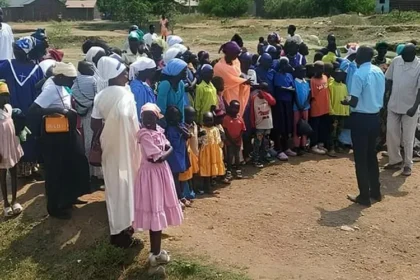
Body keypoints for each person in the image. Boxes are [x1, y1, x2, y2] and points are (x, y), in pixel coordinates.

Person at [27, 62, 90, 219]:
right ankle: (54, 208)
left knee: (73, 162)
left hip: (66, 132)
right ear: (61, 77)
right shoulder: (49, 89)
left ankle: (69, 197)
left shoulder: (61, 85)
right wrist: (58, 110)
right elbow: (33, 110)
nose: (73, 82)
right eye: (71, 79)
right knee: (55, 170)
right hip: (54, 136)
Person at [91, 57, 141, 248]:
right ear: (115, 75)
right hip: (128, 146)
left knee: (113, 184)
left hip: (110, 145)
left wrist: (108, 129)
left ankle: (117, 230)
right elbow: (133, 122)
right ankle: (129, 225)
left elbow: (95, 124)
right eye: (123, 72)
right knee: (130, 181)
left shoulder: (100, 96)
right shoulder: (127, 94)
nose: (126, 75)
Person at [133, 103, 183, 270]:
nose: (147, 120)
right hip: (151, 176)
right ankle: (155, 254)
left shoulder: (159, 132)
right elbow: (157, 158)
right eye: (144, 117)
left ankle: (157, 251)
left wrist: (167, 151)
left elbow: (166, 149)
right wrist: (168, 151)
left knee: (159, 208)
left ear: (156, 118)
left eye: (150, 116)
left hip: (160, 174)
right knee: (155, 209)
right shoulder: (144, 136)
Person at [342, 46, 385, 207]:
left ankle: (364, 196)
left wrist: (345, 101)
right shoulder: (378, 71)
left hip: (360, 118)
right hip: (375, 117)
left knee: (360, 158)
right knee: (371, 155)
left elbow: (353, 101)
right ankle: (376, 191)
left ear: (360, 57)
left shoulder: (359, 74)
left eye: (356, 55)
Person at [0, 37, 44, 178]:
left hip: (8, 112)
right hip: (29, 112)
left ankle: (14, 168)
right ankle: (28, 169)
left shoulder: (5, 65)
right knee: (29, 140)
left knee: (10, 140)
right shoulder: (37, 70)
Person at [384, 43, 420, 176]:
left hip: (410, 107)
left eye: (404, 55)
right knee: (391, 133)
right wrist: (384, 98)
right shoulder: (397, 61)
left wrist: (415, 107)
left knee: (408, 138)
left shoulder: (419, 65)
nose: (402, 57)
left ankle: (407, 164)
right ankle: (395, 160)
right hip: (393, 104)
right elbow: (389, 80)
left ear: (412, 54)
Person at [72, 61, 103, 187]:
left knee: (84, 141)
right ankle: (95, 173)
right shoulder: (94, 81)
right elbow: (98, 98)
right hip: (92, 113)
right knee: (93, 142)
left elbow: (72, 95)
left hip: (78, 114)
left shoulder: (75, 81)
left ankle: (87, 172)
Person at [0, 81, 24, 217]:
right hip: (1, 149)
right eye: (1, 96)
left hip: (11, 146)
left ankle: (15, 200)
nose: (5, 99)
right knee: (2, 175)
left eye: (6, 96)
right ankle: (6, 204)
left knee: (14, 172)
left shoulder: (8, 108)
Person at [214, 41, 250, 117]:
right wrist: (243, 81)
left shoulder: (236, 62)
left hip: (237, 92)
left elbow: (237, 76)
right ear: (229, 54)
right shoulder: (219, 67)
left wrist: (242, 80)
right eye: (235, 54)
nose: (237, 56)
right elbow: (229, 80)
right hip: (226, 96)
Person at [164, 106, 191, 207]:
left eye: (176, 116)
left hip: (181, 154)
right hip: (173, 155)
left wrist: (179, 128)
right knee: (175, 177)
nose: (175, 118)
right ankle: (178, 198)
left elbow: (188, 135)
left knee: (180, 176)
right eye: (173, 116)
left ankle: (180, 196)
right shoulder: (167, 129)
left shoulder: (181, 126)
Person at [273, 57, 296, 160]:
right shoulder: (277, 75)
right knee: (280, 126)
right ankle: (279, 149)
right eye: (285, 64)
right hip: (280, 102)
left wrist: (288, 89)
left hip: (288, 102)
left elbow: (293, 87)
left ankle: (286, 147)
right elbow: (278, 87)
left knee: (287, 125)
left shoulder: (290, 75)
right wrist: (288, 89)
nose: (287, 66)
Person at [250, 82, 276, 167]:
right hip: (259, 125)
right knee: (257, 143)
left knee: (266, 142)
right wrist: (253, 124)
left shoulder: (268, 98)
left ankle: (264, 157)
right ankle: (255, 159)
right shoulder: (254, 98)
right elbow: (252, 112)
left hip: (267, 124)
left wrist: (265, 94)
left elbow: (273, 102)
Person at [199, 112, 225, 193]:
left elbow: (219, 141)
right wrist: (199, 135)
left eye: (210, 120)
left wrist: (220, 150)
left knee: (211, 170)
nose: (209, 122)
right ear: (203, 121)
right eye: (207, 120)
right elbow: (199, 141)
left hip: (214, 153)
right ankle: (207, 187)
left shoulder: (216, 129)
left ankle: (209, 186)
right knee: (206, 169)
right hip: (205, 153)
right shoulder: (201, 129)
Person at [309, 61, 330, 155]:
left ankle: (320, 144)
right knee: (315, 127)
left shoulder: (325, 77)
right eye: (318, 68)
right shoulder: (312, 81)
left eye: (322, 68)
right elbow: (312, 96)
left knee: (323, 127)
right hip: (316, 108)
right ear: (314, 69)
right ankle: (313, 145)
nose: (320, 70)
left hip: (325, 107)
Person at [329, 69, 350, 154]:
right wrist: (331, 110)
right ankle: (331, 147)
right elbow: (329, 99)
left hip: (342, 112)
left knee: (339, 130)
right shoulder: (331, 86)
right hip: (334, 112)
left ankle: (336, 145)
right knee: (332, 130)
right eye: (339, 75)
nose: (342, 76)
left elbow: (346, 97)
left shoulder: (344, 86)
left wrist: (347, 110)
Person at [180, 106, 200, 195]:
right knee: (187, 174)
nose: (191, 118)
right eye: (189, 116)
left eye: (193, 116)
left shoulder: (195, 125)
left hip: (195, 152)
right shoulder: (183, 127)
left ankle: (195, 188)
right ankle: (188, 191)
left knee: (195, 172)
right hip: (187, 154)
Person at [223, 100, 246, 179]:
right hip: (229, 141)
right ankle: (229, 171)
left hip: (238, 141)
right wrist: (231, 140)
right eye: (233, 108)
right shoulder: (226, 118)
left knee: (237, 156)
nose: (235, 110)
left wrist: (238, 138)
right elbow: (225, 130)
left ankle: (238, 170)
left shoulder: (240, 118)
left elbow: (243, 129)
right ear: (230, 108)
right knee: (230, 156)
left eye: (237, 108)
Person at [293, 65, 311, 154]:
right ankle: (296, 146)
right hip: (297, 108)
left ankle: (303, 145)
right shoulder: (294, 82)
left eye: (304, 71)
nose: (303, 73)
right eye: (301, 71)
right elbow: (294, 95)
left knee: (304, 127)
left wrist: (305, 105)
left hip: (305, 108)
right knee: (297, 127)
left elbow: (309, 95)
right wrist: (299, 105)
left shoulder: (306, 82)